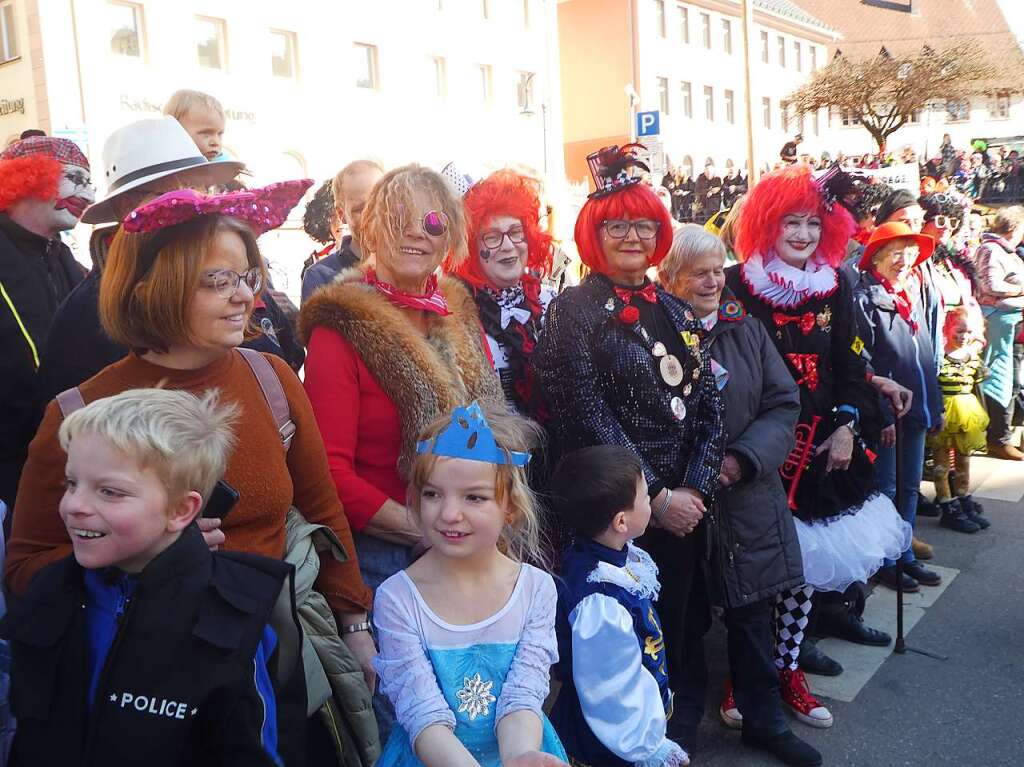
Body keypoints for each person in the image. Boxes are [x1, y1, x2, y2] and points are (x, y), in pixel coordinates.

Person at [5, 181, 381, 759]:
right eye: (217, 280)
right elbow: (26, 569)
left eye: (246, 277)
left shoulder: (271, 381)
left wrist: (355, 627)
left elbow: (323, 511)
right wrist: (137, 552)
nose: (244, 298)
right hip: (139, 690)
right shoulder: (79, 414)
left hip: (274, 667)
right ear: (155, 287)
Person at [300, 164, 502, 740]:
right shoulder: (341, 325)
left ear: (452, 235)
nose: (417, 234)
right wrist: (424, 525)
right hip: (391, 560)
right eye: (396, 219)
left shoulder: (455, 306)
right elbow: (328, 473)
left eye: (434, 222)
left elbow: (487, 426)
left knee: (474, 716)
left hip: (464, 547)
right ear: (367, 228)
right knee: (417, 727)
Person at [535, 144, 723, 755]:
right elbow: (585, 417)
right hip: (614, 514)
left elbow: (707, 408)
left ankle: (675, 737)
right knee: (619, 651)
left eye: (644, 223)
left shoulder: (675, 307)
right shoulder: (572, 312)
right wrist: (657, 496)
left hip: (684, 510)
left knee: (681, 629)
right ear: (595, 231)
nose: (633, 236)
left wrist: (694, 488)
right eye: (618, 224)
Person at [0, 388, 304, 766]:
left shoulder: (232, 620)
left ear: (181, 509)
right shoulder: (51, 591)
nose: (74, 506)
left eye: (109, 492)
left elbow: (256, 752)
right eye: (71, 483)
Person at [725, 165, 913, 679]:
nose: (803, 235)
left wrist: (849, 424)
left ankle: (820, 626)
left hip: (827, 438)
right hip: (762, 440)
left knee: (825, 545)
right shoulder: (737, 284)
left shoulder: (836, 283)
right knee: (776, 554)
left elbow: (851, 361)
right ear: (767, 224)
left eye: (812, 223)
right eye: (791, 223)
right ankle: (778, 657)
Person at [659, 226, 821, 767]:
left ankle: (765, 720)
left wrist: (741, 459)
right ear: (670, 277)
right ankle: (682, 725)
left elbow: (783, 404)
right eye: (698, 272)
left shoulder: (746, 330)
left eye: (717, 270)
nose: (711, 281)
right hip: (682, 505)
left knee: (753, 615)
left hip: (747, 497)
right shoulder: (653, 330)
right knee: (684, 620)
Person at [373, 403, 568, 767]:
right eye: (432, 494)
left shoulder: (535, 590)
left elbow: (522, 695)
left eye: (474, 497)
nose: (448, 514)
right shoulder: (397, 598)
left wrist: (521, 756)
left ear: (509, 507)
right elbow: (423, 714)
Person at [34, 117, 249, 407]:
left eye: (200, 192)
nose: (197, 208)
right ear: (126, 207)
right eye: (173, 196)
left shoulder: (227, 271)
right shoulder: (95, 311)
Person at [548, 445, 690, 767]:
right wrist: (649, 748)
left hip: (629, 719)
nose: (648, 502)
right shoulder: (600, 602)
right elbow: (611, 691)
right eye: (643, 495)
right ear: (621, 521)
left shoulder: (608, 556)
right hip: (612, 740)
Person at [0, 136, 93, 510]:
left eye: (90, 182)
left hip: (65, 460)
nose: (87, 193)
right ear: (28, 178)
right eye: (75, 178)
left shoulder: (66, 259)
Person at [853, 222, 945, 592]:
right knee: (886, 489)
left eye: (910, 251)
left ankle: (904, 553)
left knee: (910, 488)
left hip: (918, 408)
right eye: (896, 251)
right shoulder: (864, 298)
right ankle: (887, 559)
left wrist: (933, 405)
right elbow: (863, 363)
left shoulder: (911, 294)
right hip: (888, 413)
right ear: (876, 256)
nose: (905, 260)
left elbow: (925, 359)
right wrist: (878, 413)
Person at [448, 170, 555, 418]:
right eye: (492, 237)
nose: (508, 246)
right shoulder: (457, 315)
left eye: (516, 232)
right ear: (473, 248)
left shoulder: (552, 303)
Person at [929, 307, 991, 532]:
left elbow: (978, 386)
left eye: (967, 332)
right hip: (945, 411)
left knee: (964, 460)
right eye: (958, 331)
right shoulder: (939, 358)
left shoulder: (973, 357)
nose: (963, 336)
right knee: (941, 464)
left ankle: (963, 497)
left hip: (967, 412)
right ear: (946, 329)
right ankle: (947, 504)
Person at [975, 207, 1024, 458]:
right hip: (999, 319)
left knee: (1013, 378)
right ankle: (998, 437)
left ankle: (1004, 434)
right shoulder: (991, 249)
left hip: (1012, 320)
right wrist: (1020, 291)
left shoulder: (1005, 252)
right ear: (1014, 227)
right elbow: (990, 285)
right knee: (1000, 377)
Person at [301, 159, 384, 303]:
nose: (374, 214)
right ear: (341, 214)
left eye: (381, 203)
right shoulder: (321, 277)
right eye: (360, 209)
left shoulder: (407, 264)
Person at [164, 89, 226, 162]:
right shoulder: (164, 163)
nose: (216, 142)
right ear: (175, 131)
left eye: (220, 134)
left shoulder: (223, 165)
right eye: (205, 133)